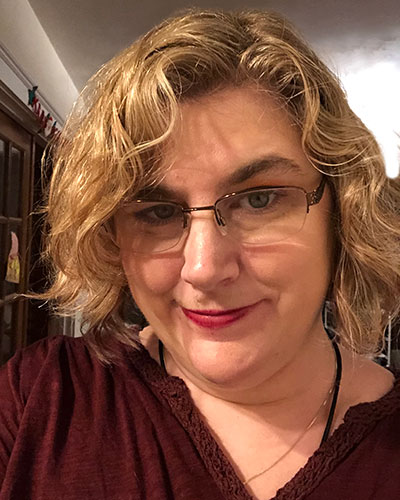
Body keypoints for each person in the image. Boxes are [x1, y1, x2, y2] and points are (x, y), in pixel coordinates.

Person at [1, 8, 399, 500]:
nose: (204, 269)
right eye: (158, 212)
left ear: (341, 211)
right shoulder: (40, 401)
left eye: (259, 199)